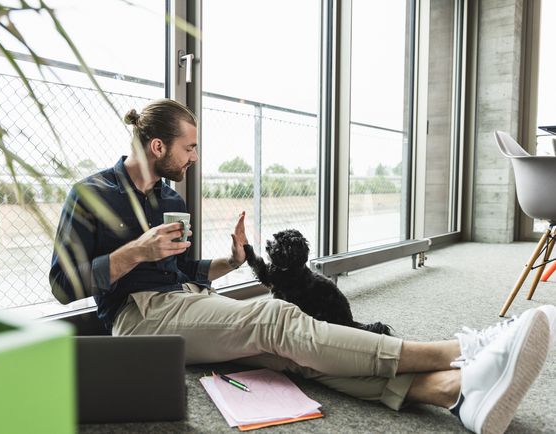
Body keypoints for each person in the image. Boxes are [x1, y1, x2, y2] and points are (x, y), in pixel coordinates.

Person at [50, 99, 553, 434]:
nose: (195, 158)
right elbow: (61, 285)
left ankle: (454, 391)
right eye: (190, 148)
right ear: (158, 147)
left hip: (182, 303)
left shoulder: (166, 196)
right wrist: (135, 250)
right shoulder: (92, 195)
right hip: (136, 321)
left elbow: (178, 274)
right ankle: (464, 349)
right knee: (276, 317)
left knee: (287, 354)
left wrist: (233, 259)